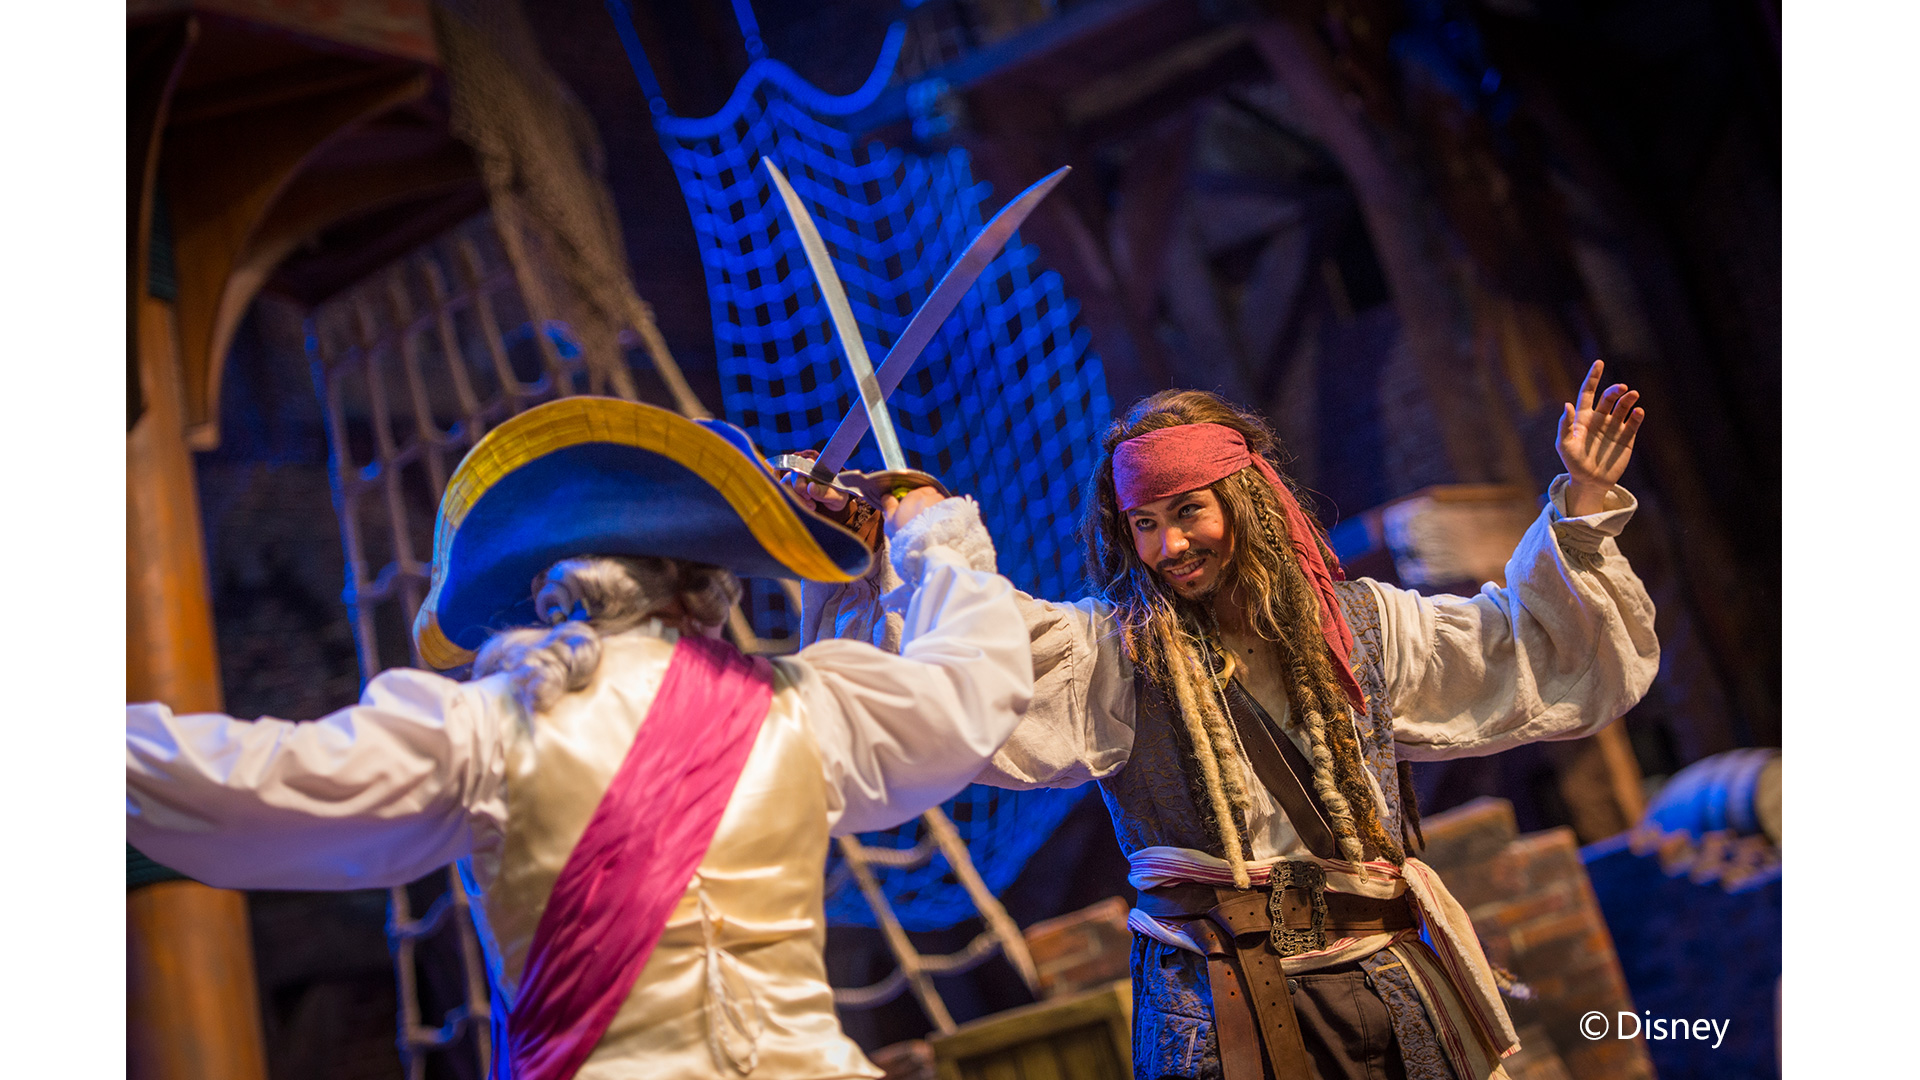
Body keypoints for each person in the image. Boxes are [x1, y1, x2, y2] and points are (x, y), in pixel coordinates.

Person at [790, 361, 1659, 1080]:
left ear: (1245, 503)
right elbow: (969, 668)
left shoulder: (1360, 628)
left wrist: (1582, 507)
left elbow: (1521, 649)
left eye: (1187, 512)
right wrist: (889, 545)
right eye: (1144, 524)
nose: (1168, 546)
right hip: (1225, 1004)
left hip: (1389, 983)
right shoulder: (1114, 657)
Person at [126, 397, 1032, 1080]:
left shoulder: (486, 730)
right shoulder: (803, 707)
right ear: (705, 585)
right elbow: (972, 689)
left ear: (555, 589)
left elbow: (243, 782)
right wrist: (928, 535)